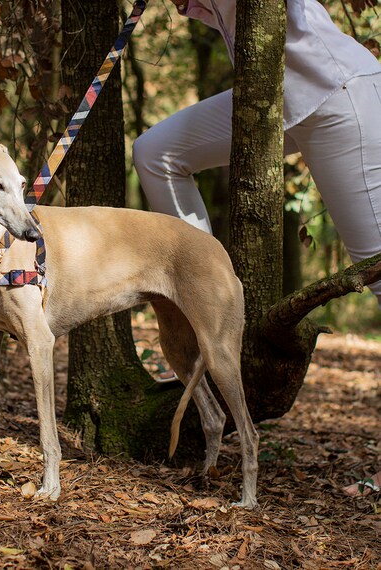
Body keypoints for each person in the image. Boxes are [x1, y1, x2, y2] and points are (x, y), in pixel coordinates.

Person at [132, 0, 381, 494]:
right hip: (273, 96)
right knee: (156, 152)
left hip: (338, 94)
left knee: (377, 272)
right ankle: (201, 286)